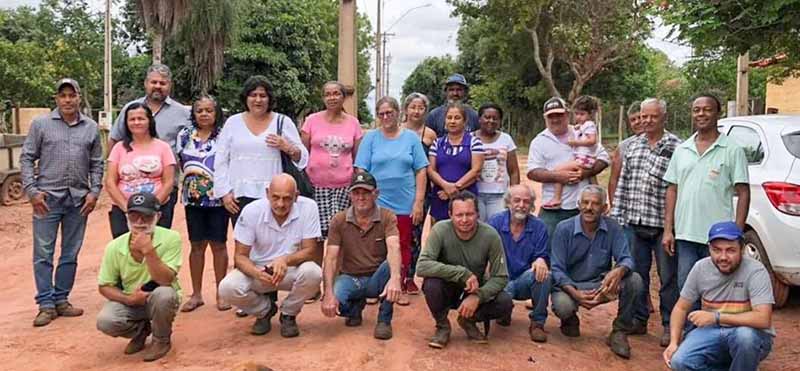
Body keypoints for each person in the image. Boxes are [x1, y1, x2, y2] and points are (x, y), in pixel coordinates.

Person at [20, 78, 103, 327]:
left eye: (72, 95)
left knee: (70, 253)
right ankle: (45, 304)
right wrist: (32, 191)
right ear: (56, 99)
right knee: (43, 254)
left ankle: (61, 299)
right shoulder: (41, 125)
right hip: (46, 200)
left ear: (79, 97)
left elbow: (97, 162)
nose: (67, 100)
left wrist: (94, 191)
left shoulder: (90, 127)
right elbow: (26, 158)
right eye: (62, 95)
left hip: (79, 201)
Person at [662, 93, 750, 294]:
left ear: (718, 113)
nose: (701, 114)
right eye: (696, 110)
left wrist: (736, 232)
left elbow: (743, 192)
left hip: (720, 238)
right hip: (686, 235)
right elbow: (672, 189)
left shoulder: (732, 149)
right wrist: (668, 230)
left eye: (707, 109)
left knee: (717, 290)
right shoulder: (682, 149)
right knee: (687, 289)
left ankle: (715, 326)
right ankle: (689, 327)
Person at [217, 174, 322, 338]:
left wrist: (285, 260)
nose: (280, 204)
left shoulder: (309, 207)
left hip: (290, 269)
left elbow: (310, 250)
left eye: (287, 198)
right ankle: (264, 310)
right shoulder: (252, 211)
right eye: (276, 197)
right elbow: (240, 256)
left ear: (296, 196)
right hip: (259, 270)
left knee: (313, 273)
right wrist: (256, 272)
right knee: (227, 288)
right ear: (267, 193)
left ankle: (289, 313)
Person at [613, 98, 681, 347]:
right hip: (633, 222)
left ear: (664, 117)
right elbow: (623, 183)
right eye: (644, 116)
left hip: (662, 226)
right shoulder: (632, 146)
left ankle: (668, 325)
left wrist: (670, 228)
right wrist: (619, 219)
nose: (647, 121)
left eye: (653, 116)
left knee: (668, 278)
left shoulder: (677, 146)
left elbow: (677, 189)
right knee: (635, 276)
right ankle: (638, 320)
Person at [663, 221, 774, 371]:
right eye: (716, 250)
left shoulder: (756, 271)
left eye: (730, 250)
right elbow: (681, 308)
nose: (723, 257)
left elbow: (763, 319)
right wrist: (674, 342)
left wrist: (716, 317)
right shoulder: (701, 268)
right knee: (680, 362)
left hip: (748, 332)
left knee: (745, 338)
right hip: (712, 331)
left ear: (741, 249)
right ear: (709, 249)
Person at [549, 185, 643, 359]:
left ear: (605, 208)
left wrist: (619, 270)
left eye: (595, 204)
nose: (589, 208)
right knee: (563, 306)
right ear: (578, 204)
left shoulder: (613, 227)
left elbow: (627, 259)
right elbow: (556, 269)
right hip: (570, 286)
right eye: (585, 202)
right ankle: (569, 319)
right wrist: (576, 294)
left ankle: (620, 330)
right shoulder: (564, 228)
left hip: (600, 286)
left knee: (634, 280)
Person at [354, 96, 428, 306]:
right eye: (381, 114)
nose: (386, 117)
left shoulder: (411, 139)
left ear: (398, 113)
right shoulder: (371, 138)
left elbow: (421, 170)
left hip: (404, 202)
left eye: (390, 112)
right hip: (378, 202)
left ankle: (401, 284)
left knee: (402, 245)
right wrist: (365, 199)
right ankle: (375, 286)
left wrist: (419, 201)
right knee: (374, 246)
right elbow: (362, 170)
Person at [416, 191, 512, 349]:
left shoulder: (490, 235)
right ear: (450, 215)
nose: (465, 220)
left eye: (470, 214)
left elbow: (501, 277)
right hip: (447, 287)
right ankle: (442, 326)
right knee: (431, 285)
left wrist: (478, 296)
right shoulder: (440, 230)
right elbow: (422, 266)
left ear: (478, 214)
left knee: (505, 302)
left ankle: (469, 320)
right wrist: (461, 273)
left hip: (474, 289)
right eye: (459, 215)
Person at [96, 192, 182, 362]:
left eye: (146, 217)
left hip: (159, 297)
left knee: (164, 295)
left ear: (158, 216)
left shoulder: (172, 238)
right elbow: (104, 286)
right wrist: (129, 299)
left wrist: (148, 251)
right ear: (127, 217)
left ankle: (161, 340)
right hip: (132, 299)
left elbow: (166, 279)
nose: (139, 223)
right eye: (134, 216)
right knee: (105, 321)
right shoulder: (114, 247)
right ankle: (141, 330)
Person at [214, 75, 308, 227]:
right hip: (240, 196)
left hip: (275, 197)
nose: (258, 100)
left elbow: (302, 158)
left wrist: (287, 147)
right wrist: (224, 193)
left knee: (274, 244)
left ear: (269, 99)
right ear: (246, 98)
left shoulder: (282, 122)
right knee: (244, 244)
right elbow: (221, 160)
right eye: (253, 95)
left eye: (263, 96)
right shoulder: (233, 122)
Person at [320, 172, 403, 340]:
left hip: (377, 277)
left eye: (366, 192)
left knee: (392, 265)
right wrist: (328, 292)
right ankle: (354, 308)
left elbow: (394, 246)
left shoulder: (387, 216)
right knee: (336, 303)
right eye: (356, 193)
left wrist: (395, 278)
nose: (361, 197)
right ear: (350, 195)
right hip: (351, 277)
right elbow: (330, 257)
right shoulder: (339, 220)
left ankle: (384, 320)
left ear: (376, 194)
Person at [108, 64, 190, 228]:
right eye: (154, 82)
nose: (158, 86)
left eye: (163, 83)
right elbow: (114, 140)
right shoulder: (130, 109)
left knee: (158, 241)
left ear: (169, 85)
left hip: (165, 188)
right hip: (128, 188)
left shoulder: (183, 113)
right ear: (146, 83)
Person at [175, 95, 230, 312]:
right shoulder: (184, 135)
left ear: (216, 113)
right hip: (193, 199)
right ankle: (196, 294)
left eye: (209, 110)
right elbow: (181, 162)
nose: (204, 114)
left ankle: (221, 293)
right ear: (194, 113)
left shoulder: (224, 135)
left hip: (218, 199)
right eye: (200, 110)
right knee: (196, 245)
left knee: (219, 245)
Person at [527, 97, 610, 238]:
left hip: (584, 206)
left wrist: (584, 173)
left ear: (567, 114)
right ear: (545, 118)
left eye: (559, 115)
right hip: (553, 209)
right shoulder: (539, 141)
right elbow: (533, 172)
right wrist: (559, 177)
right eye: (551, 116)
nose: (555, 120)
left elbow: (604, 158)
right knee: (548, 249)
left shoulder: (580, 132)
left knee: (585, 251)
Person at [300, 81, 363, 258]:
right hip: (315, 187)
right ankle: (316, 280)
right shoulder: (311, 121)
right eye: (327, 94)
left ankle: (336, 281)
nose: (332, 97)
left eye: (336, 93)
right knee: (315, 238)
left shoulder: (353, 123)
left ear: (343, 97)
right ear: (323, 98)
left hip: (343, 188)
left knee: (340, 237)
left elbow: (357, 158)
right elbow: (304, 155)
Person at [487, 184, 551, 343]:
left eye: (526, 202)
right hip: (501, 279)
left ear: (532, 205)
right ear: (508, 202)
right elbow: (485, 254)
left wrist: (541, 260)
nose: (521, 205)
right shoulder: (495, 222)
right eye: (517, 200)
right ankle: (504, 311)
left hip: (524, 280)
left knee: (545, 275)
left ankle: (537, 323)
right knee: (499, 292)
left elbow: (542, 254)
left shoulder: (539, 226)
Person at [106, 103, 176, 238]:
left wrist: (151, 208)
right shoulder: (119, 148)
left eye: (141, 118)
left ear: (149, 120)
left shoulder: (163, 147)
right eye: (132, 119)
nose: (136, 122)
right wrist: (129, 210)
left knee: (155, 252)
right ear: (126, 123)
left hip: (157, 210)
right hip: (123, 211)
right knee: (125, 253)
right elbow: (110, 182)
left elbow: (169, 182)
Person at [400, 92, 437, 296]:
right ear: (405, 109)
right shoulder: (396, 131)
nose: (416, 111)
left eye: (420, 107)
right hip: (398, 190)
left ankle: (410, 276)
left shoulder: (430, 135)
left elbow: (432, 166)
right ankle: (392, 275)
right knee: (395, 233)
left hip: (422, 191)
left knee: (415, 234)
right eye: (412, 107)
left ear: (425, 111)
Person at [427, 102, 485, 223]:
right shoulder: (437, 143)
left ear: (465, 121)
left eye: (457, 118)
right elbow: (431, 170)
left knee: (466, 229)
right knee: (441, 233)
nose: (452, 121)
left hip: (467, 198)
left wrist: (454, 189)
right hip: (440, 197)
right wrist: (445, 186)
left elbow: (476, 170)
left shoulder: (474, 142)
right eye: (449, 118)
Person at [543, 96, 599, 209]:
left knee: (558, 170)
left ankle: (557, 198)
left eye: (582, 114)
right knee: (592, 179)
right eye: (577, 114)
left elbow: (593, 141)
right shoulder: (582, 127)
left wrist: (575, 142)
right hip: (585, 159)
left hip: (584, 159)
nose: (578, 117)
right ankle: (599, 196)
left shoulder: (589, 125)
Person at [473, 103, 520, 221]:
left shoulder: (506, 139)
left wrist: (514, 195)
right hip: (475, 194)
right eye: (487, 117)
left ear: (500, 121)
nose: (491, 121)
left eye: (495, 118)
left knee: (498, 230)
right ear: (479, 119)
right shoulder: (470, 139)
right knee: (476, 231)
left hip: (499, 196)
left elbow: (513, 171)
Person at [608, 101, 643, 214]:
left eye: (640, 117)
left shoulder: (667, 144)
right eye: (633, 120)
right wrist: (614, 207)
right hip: (628, 209)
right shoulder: (623, 146)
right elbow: (614, 180)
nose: (637, 122)